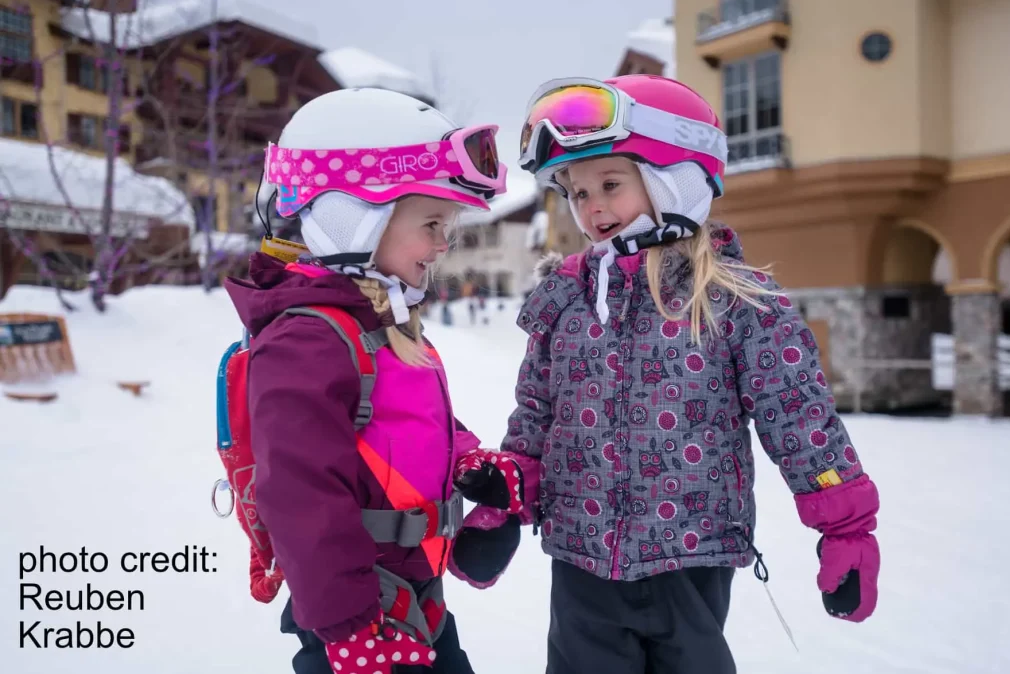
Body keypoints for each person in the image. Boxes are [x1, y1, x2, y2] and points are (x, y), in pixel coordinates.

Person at [448, 74, 882, 674]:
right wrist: (506, 503)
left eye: (610, 184)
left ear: (675, 178)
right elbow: (537, 417)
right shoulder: (566, 300)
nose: (591, 206)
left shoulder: (734, 301)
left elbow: (799, 417)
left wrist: (846, 530)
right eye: (576, 192)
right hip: (580, 557)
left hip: (690, 556)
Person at [223, 87, 509, 674]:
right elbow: (301, 496)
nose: (443, 243)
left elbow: (406, 424)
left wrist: (469, 465)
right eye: (432, 222)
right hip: (359, 621)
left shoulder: (378, 324)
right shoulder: (307, 341)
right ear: (352, 216)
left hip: (413, 600)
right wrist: (349, 628)